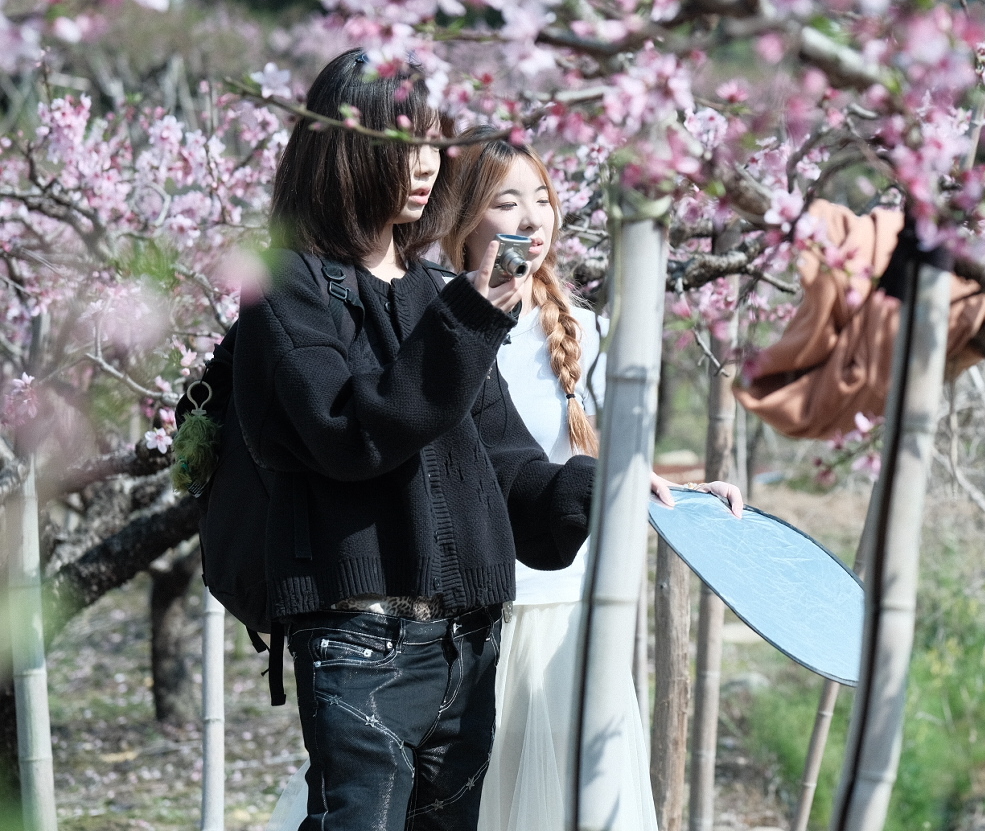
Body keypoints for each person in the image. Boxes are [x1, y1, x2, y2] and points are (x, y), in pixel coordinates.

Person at [238, 50, 599, 831]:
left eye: (435, 142)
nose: (427, 164)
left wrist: (612, 485)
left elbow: (507, 469)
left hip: (467, 641)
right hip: (361, 639)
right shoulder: (289, 286)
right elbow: (348, 431)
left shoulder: (435, 293)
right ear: (342, 148)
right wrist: (470, 318)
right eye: (404, 144)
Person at [440, 126, 742, 831]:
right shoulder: (433, 320)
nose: (531, 220)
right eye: (505, 202)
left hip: (569, 610)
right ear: (460, 215)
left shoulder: (587, 330)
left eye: (541, 200)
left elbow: (612, 466)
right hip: (476, 613)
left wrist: (688, 495)